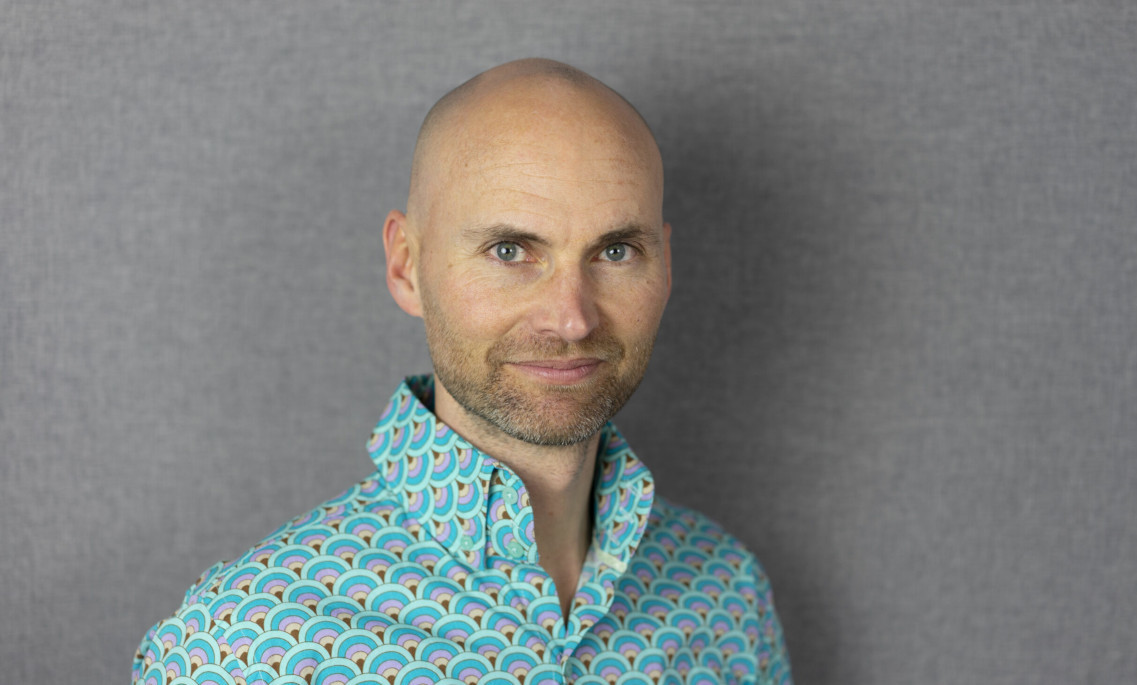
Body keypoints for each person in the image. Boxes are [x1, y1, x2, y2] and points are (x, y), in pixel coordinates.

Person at [132, 58, 792, 685]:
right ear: (406, 266)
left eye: (615, 251)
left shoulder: (725, 593)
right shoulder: (241, 647)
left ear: (665, 267)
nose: (572, 319)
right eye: (509, 250)